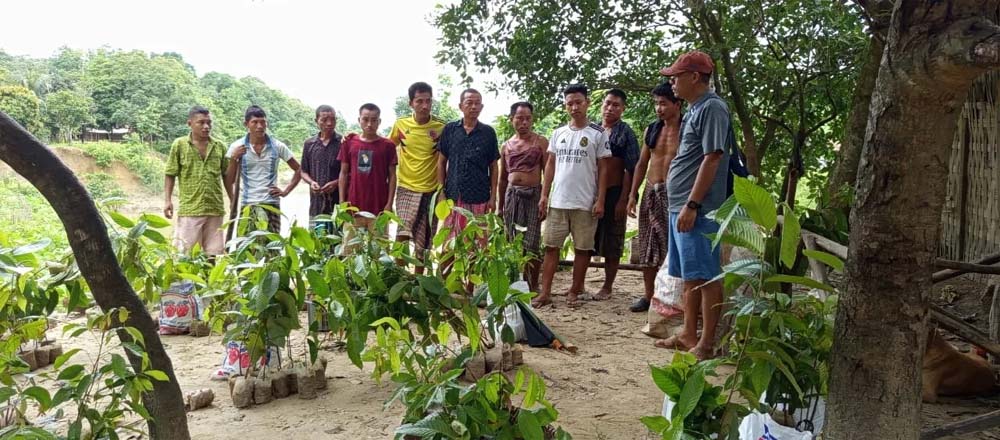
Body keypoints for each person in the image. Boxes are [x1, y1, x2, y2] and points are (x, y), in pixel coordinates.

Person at [653, 51, 731, 360]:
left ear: (695, 77)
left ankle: (707, 342)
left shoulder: (712, 108)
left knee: (707, 275)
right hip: (681, 206)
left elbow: (713, 157)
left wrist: (693, 203)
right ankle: (688, 333)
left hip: (698, 209)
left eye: (676, 76)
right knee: (690, 274)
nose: (671, 81)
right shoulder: (696, 109)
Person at [535, 84, 611, 308]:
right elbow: (550, 164)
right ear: (565, 105)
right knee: (551, 247)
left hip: (585, 202)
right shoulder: (558, 133)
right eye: (570, 103)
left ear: (587, 103)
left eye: (578, 102)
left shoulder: (598, 134)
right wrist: (544, 194)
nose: (574, 107)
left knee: (582, 248)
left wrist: (600, 199)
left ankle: (575, 290)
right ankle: (546, 291)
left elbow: (604, 168)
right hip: (558, 201)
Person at [627, 83, 683, 312]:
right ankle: (649, 295)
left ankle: (673, 298)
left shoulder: (688, 129)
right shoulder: (652, 129)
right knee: (647, 244)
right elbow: (642, 163)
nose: (659, 108)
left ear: (677, 104)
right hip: (652, 189)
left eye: (663, 103)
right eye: (656, 104)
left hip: (676, 193)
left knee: (674, 248)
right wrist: (633, 194)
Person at [389, 82, 446, 273]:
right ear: (410, 103)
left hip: (431, 190)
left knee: (425, 239)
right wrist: (355, 138)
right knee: (402, 234)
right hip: (406, 187)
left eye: (428, 101)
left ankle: (418, 282)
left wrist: (442, 190)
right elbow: (386, 148)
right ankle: (398, 277)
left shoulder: (441, 127)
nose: (424, 105)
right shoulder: (401, 125)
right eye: (419, 101)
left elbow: (446, 158)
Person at [164, 106, 232, 256]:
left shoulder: (219, 146)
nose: (206, 126)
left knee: (213, 254)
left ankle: (209, 280)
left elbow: (226, 175)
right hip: (190, 209)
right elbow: (170, 173)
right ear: (190, 123)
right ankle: (187, 281)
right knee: (186, 255)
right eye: (201, 122)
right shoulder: (179, 145)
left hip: (215, 209)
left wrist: (233, 200)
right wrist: (167, 200)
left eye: (209, 123)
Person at [592, 89, 640, 300]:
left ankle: (608, 286)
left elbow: (632, 168)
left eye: (616, 105)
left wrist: (625, 198)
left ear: (623, 109)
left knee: (613, 239)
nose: (610, 108)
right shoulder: (591, 130)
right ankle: (578, 283)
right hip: (590, 191)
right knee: (586, 237)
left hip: (615, 192)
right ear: (602, 104)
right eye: (608, 103)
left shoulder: (625, 132)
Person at [225, 105, 301, 234]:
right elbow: (229, 180)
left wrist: (286, 191)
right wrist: (233, 159)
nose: (260, 126)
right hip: (248, 204)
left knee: (272, 247)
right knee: (246, 247)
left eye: (263, 122)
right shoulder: (237, 147)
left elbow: (299, 170)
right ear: (246, 124)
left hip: (271, 203)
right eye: (255, 122)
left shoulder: (278, 146)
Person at [436, 88, 500, 240]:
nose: (473, 107)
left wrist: (493, 197)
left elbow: (494, 166)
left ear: (482, 107)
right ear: (460, 106)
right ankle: (447, 265)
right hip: (453, 196)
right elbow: (441, 162)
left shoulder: (488, 132)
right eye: (469, 103)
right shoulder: (450, 129)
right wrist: (441, 192)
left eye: (477, 103)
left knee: (477, 246)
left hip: (479, 196)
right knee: (449, 243)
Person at [497, 101, 547, 292]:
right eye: (519, 118)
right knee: (511, 240)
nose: (524, 122)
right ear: (512, 120)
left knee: (532, 242)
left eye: (528, 118)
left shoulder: (540, 142)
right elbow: (502, 179)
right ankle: (515, 283)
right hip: (512, 195)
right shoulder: (506, 146)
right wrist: (500, 206)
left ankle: (533, 285)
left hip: (533, 195)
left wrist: (544, 198)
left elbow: (547, 173)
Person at [339, 103, 397, 229]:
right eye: (365, 119)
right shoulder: (349, 143)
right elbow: (343, 173)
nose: (369, 124)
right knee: (350, 247)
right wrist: (342, 201)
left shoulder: (388, 146)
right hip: (353, 208)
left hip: (379, 208)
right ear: (359, 120)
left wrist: (389, 203)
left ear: (379, 121)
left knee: (380, 247)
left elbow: (392, 176)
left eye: (374, 120)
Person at [300, 105, 342, 234]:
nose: (329, 123)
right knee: (316, 243)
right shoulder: (309, 144)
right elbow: (303, 171)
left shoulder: (343, 143)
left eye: (332, 119)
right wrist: (311, 182)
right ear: (316, 121)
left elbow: (350, 172)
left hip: (338, 204)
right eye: (324, 120)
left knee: (337, 243)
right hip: (316, 203)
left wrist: (336, 183)